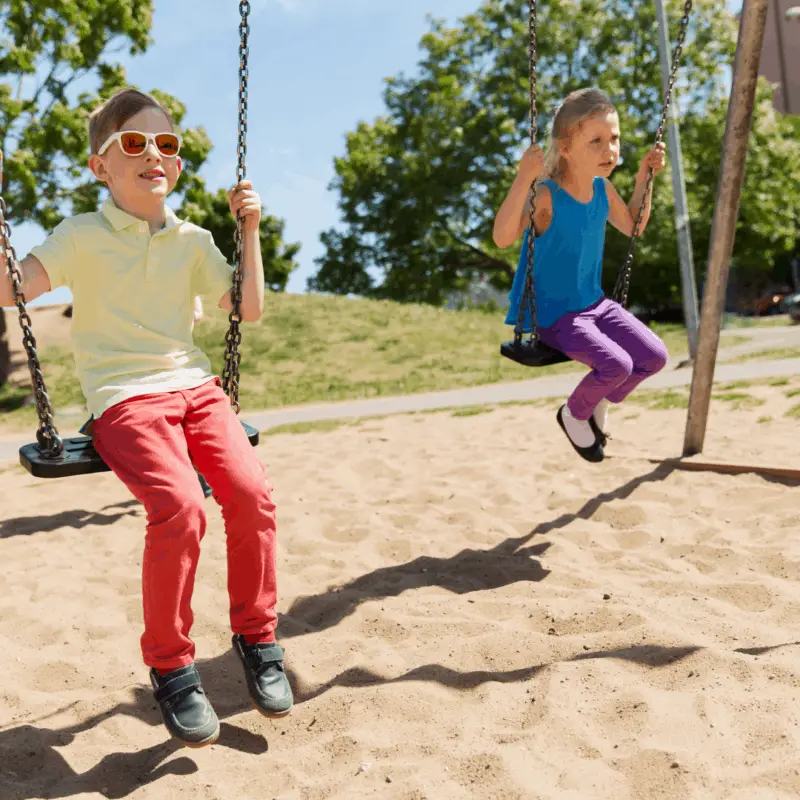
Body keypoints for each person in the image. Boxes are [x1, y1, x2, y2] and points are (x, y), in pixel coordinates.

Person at [0, 88, 292, 747]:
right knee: (182, 509)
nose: (153, 154)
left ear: (179, 167)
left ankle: (258, 638)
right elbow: (12, 288)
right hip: (124, 401)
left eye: (166, 144)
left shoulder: (193, 240)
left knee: (251, 494)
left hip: (195, 388)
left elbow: (247, 308)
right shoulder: (80, 234)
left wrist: (249, 230)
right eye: (134, 143)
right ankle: (172, 666)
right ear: (100, 165)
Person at [493, 88, 669, 463]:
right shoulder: (545, 195)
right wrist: (523, 178)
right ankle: (573, 414)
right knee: (617, 364)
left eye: (614, 139)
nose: (610, 149)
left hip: (595, 305)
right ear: (566, 149)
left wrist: (644, 179)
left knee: (653, 356)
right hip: (555, 315)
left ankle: (598, 402)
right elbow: (502, 236)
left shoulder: (602, 190)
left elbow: (634, 225)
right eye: (596, 141)